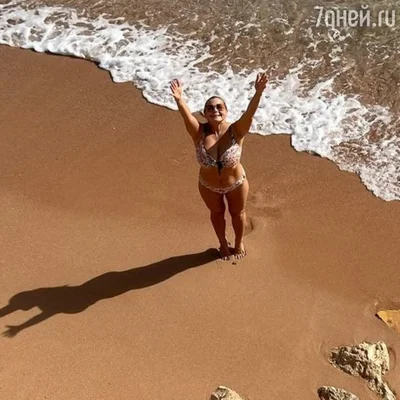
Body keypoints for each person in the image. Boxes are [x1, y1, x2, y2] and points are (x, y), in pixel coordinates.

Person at [170, 73, 269, 260]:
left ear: (226, 111)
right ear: (205, 113)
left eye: (219, 107)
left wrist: (258, 93)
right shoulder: (198, 132)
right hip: (208, 185)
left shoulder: (236, 130)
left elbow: (249, 114)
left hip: (236, 183)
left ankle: (238, 242)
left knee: (237, 213)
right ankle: (223, 243)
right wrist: (179, 99)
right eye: (210, 108)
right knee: (216, 214)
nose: (215, 110)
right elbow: (186, 116)